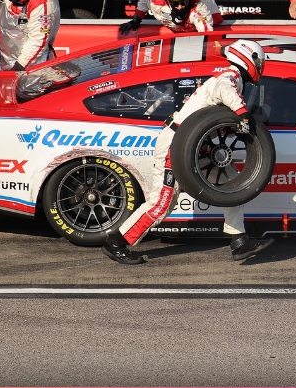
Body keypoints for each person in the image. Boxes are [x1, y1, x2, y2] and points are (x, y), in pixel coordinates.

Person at [101, 40, 275, 265]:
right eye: (259, 62)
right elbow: (222, 89)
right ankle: (116, 242)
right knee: (163, 203)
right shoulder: (230, 77)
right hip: (176, 143)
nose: (260, 67)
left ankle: (239, 241)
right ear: (248, 58)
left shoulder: (234, 79)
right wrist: (243, 113)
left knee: (233, 187)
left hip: (197, 146)